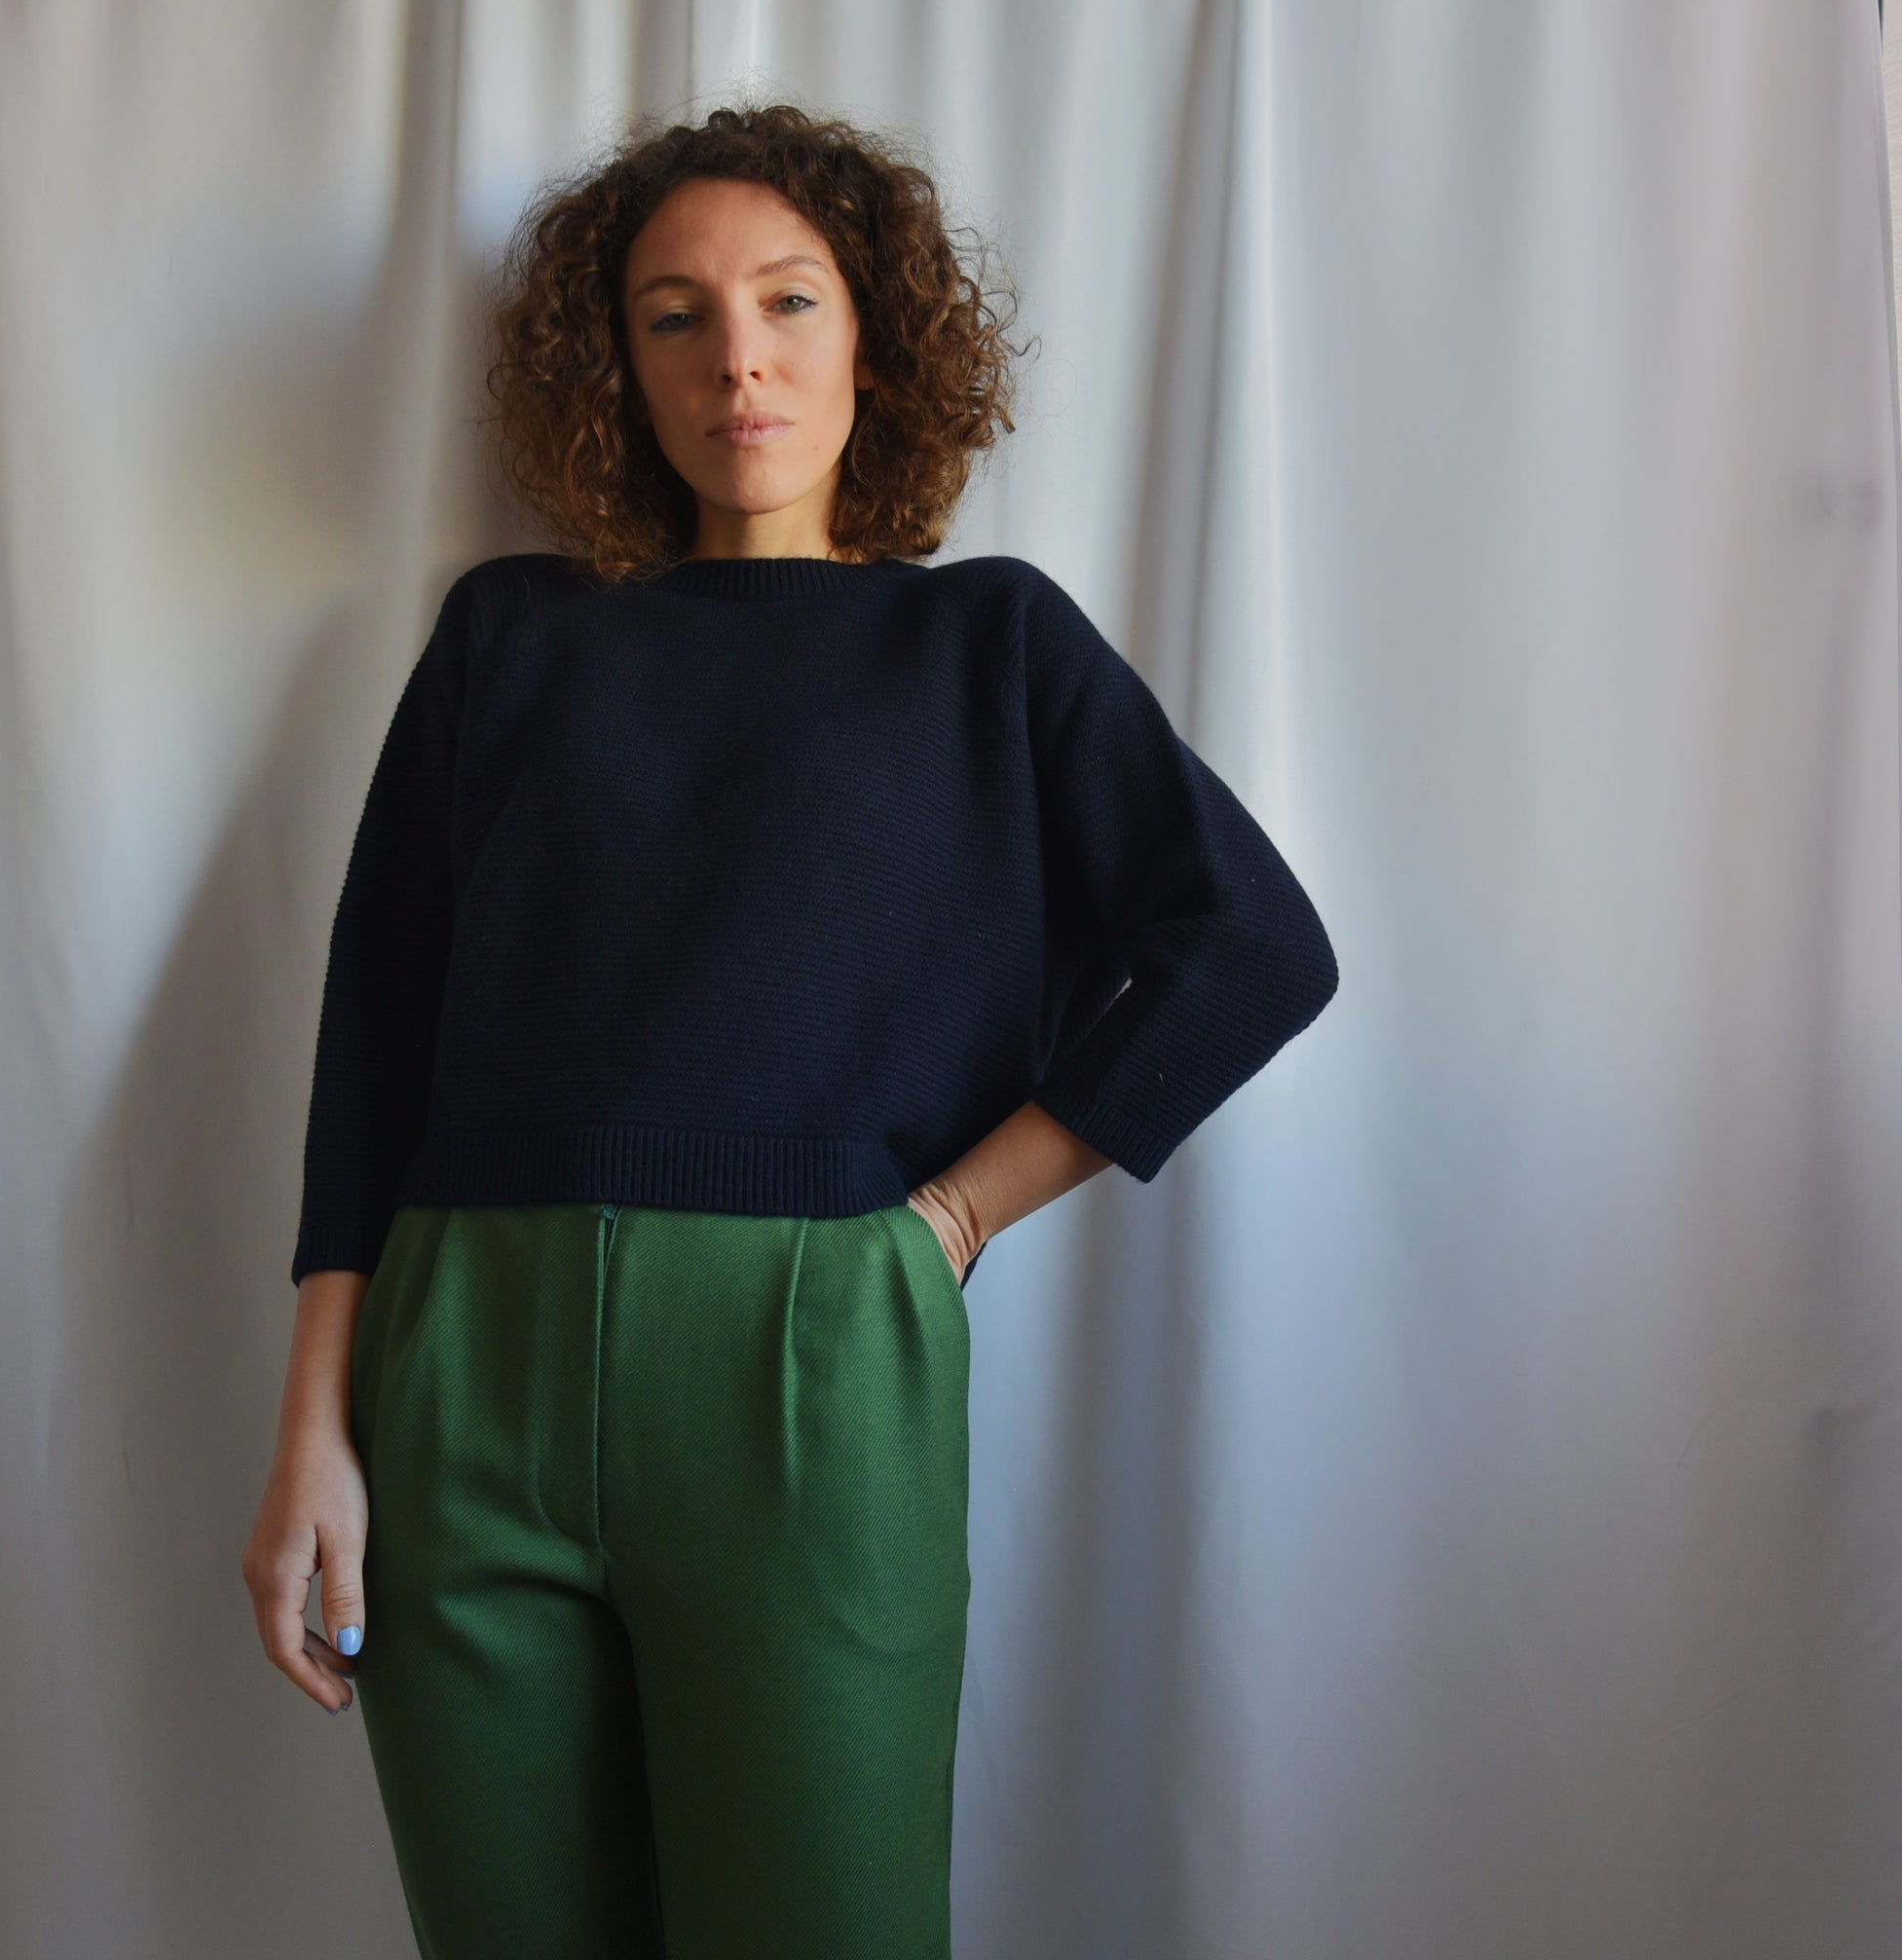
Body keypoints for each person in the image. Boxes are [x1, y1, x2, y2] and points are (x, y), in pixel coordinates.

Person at [241, 99, 1338, 1960]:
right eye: (672, 316)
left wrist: (959, 1215)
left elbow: (1253, 944)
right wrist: (311, 1433)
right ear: (620, 369)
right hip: (460, 1369)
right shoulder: (506, 637)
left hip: (819, 1360)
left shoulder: (989, 644)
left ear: (874, 344)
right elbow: (376, 1034)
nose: (734, 358)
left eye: (788, 301)